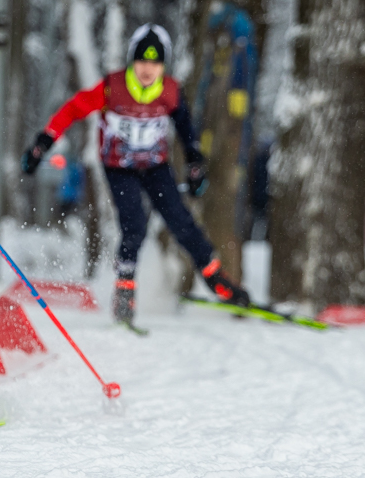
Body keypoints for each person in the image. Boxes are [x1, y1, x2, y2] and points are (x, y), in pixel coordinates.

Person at [21, 24, 250, 327]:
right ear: (132, 61)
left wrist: (195, 161)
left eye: (155, 63)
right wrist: (44, 142)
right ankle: (124, 289)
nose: (147, 69)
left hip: (155, 166)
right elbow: (74, 109)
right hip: (119, 168)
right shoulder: (113, 88)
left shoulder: (169, 92)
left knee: (181, 220)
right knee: (134, 223)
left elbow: (186, 128)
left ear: (162, 66)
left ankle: (215, 278)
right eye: (142, 62)